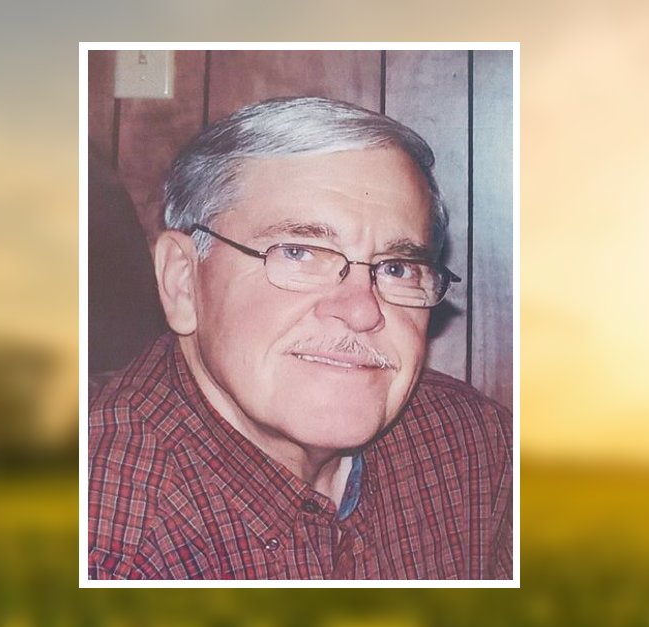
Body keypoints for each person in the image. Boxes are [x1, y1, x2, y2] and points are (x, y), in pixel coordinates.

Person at [88, 96, 513, 580]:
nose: (361, 310)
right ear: (183, 280)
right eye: (299, 252)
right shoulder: (107, 542)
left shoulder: (473, 444)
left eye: (396, 268)